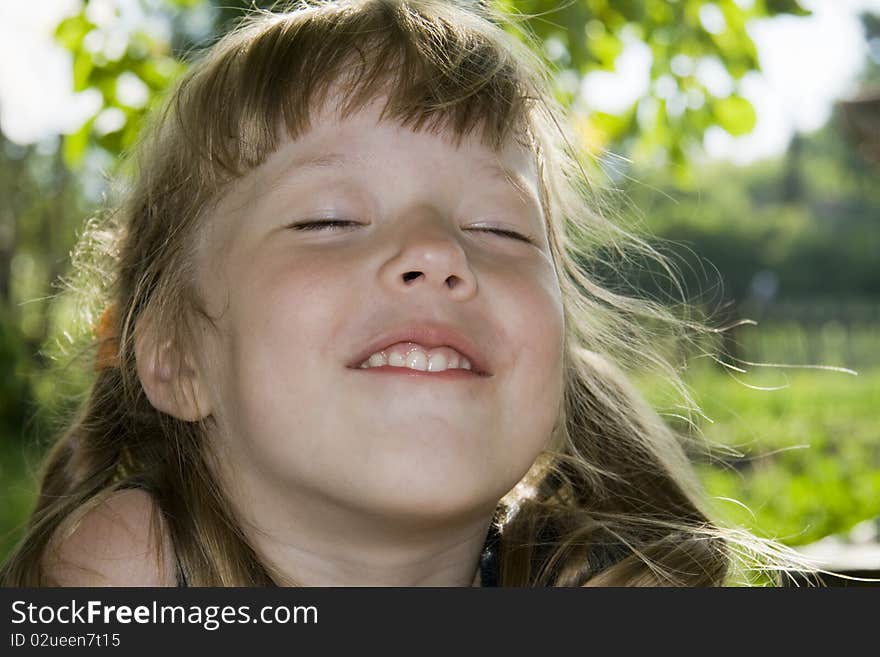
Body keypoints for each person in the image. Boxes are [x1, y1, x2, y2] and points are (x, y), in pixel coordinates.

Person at [1, 0, 805, 587]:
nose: (437, 250)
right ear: (177, 358)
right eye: (329, 218)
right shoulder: (120, 572)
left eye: (500, 228)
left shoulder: (609, 583)